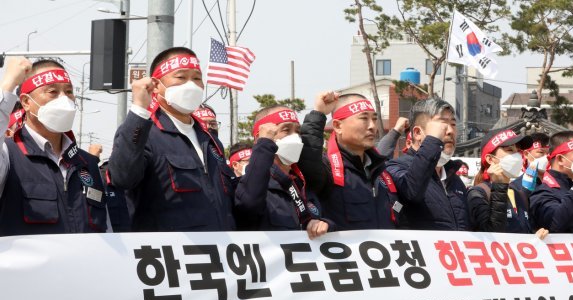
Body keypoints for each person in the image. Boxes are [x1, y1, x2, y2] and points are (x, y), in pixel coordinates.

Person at [109, 47, 236, 232]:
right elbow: (122, 178)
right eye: (181, 77)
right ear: (156, 84)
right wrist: (139, 109)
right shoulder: (144, 132)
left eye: (197, 78)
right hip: (170, 255)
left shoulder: (210, 140)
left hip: (218, 252)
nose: (191, 85)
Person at [0, 57, 107, 236]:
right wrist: (8, 85)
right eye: (53, 92)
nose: (64, 99)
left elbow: (106, 228)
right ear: (26, 102)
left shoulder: (86, 162)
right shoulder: (8, 155)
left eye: (69, 91)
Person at [297, 92, 401, 230]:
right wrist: (318, 113)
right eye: (364, 118)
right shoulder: (327, 169)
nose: (372, 126)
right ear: (338, 126)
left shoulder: (381, 171)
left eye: (374, 119)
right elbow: (308, 159)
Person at [234, 105, 333, 238]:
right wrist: (264, 145)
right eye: (286, 130)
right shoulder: (253, 185)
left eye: (298, 131)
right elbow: (248, 205)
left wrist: (326, 224)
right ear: (261, 137)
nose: (295, 137)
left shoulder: (302, 182)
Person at [386, 98, 469, 230]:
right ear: (418, 133)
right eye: (442, 124)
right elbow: (412, 192)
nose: (450, 131)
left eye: (453, 124)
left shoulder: (455, 180)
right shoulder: (395, 168)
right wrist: (433, 143)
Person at [467, 129, 547, 237]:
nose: (517, 156)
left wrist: (534, 236)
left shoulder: (520, 194)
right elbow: (492, 236)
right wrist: (499, 186)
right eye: (510, 150)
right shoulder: (478, 193)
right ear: (490, 159)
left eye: (518, 151)